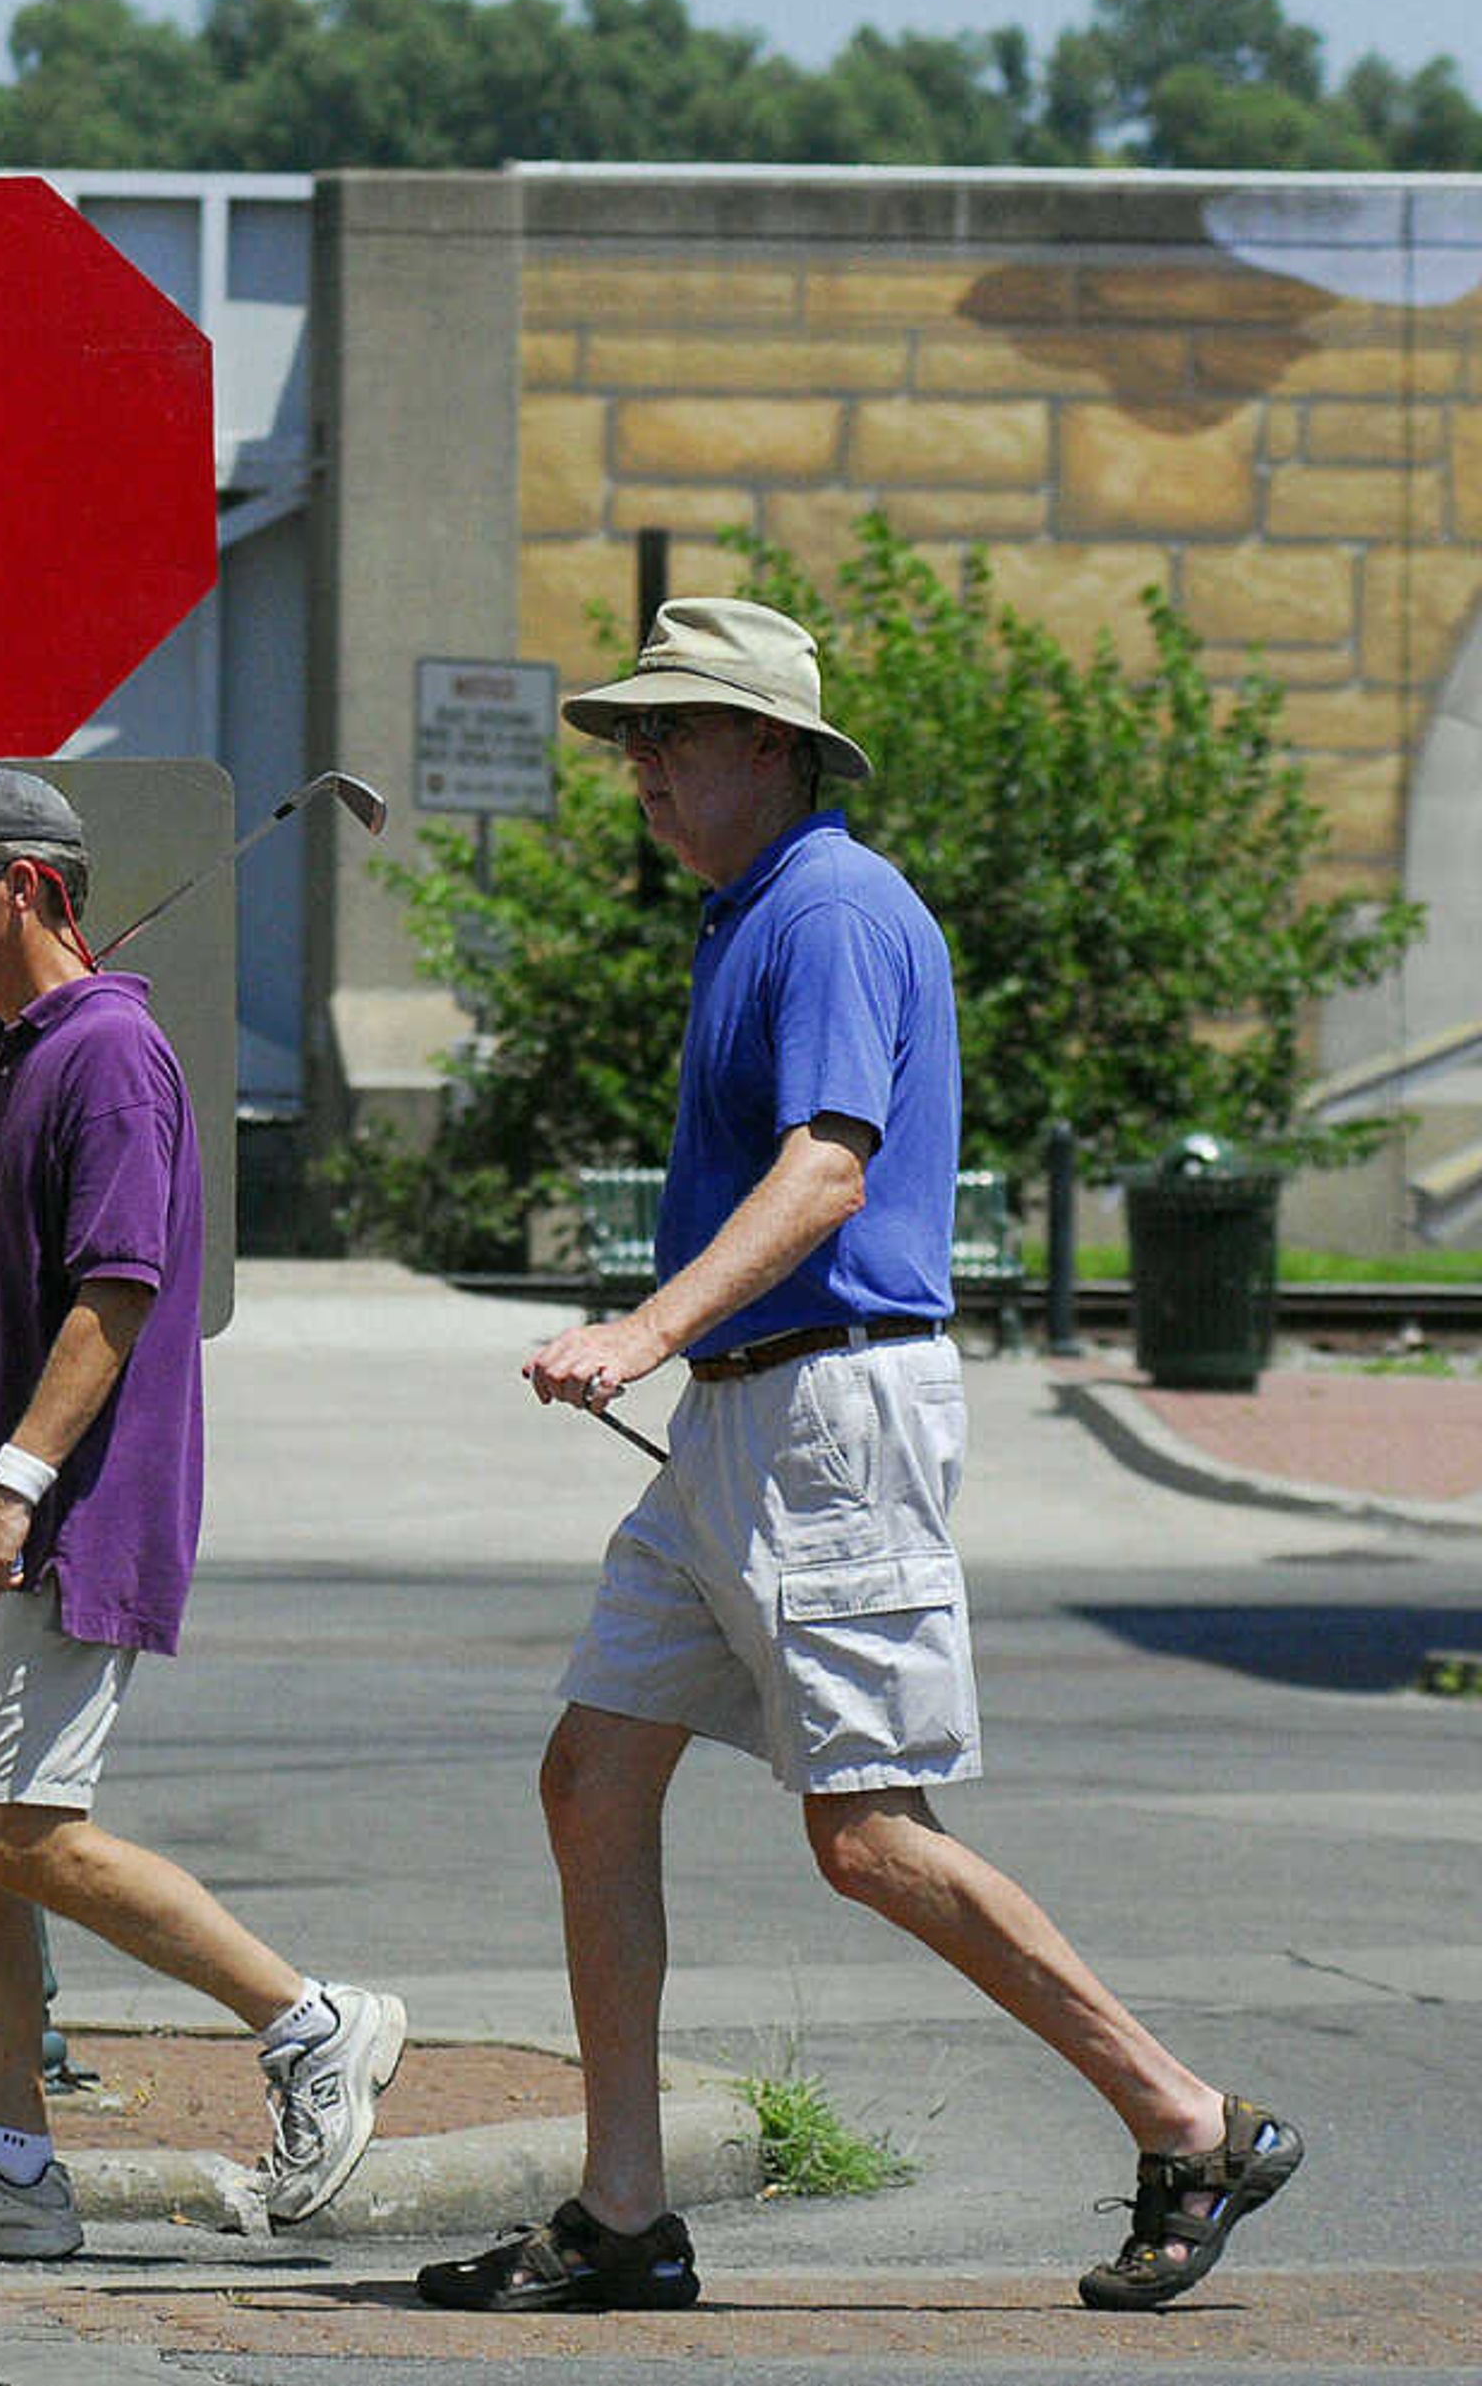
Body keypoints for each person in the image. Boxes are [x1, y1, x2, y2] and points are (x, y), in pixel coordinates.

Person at [428, 598, 1302, 2316]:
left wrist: (642, 1328)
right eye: (630, 742)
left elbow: (831, 1167)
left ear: (773, 746)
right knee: (592, 1779)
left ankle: (1189, 2117)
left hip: (827, 1414)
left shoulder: (829, 904)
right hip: (745, 1420)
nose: (643, 772)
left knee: (868, 1835)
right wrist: (686, 1358)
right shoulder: (751, 911)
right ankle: (622, 2211)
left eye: (674, 738)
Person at [0, 767, 410, 2257]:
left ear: (32, 887)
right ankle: (8, 2163)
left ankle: (311, 2021)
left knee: (31, 1830)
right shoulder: (37, 1054)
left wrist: (6, 1491)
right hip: (14, 1508)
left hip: (63, 1507)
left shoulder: (109, 1054)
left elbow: (114, 1299)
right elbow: (27, 1273)